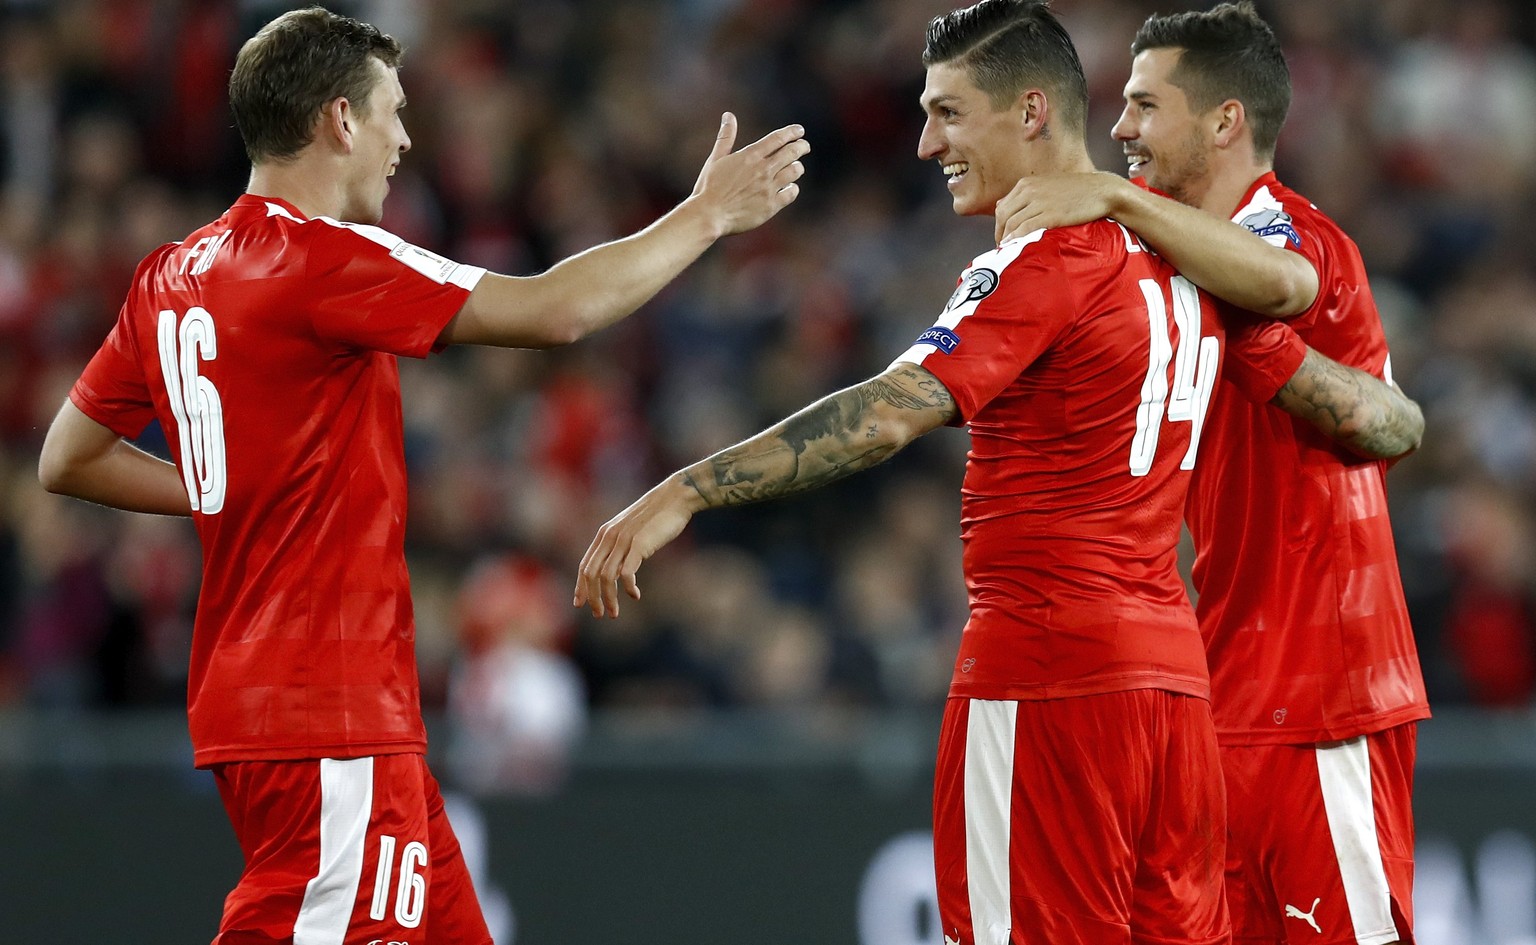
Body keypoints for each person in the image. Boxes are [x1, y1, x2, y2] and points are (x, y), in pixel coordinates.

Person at [36, 7, 808, 944]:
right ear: (339, 121)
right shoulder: (322, 257)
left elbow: (65, 456)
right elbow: (554, 311)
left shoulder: (169, 275)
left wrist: (219, 484)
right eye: (394, 111)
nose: (406, 137)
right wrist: (707, 215)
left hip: (287, 704)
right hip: (330, 709)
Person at [577, 2, 1241, 941]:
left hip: (1050, 678)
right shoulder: (1184, 251)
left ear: (1032, 111)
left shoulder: (1049, 256)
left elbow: (889, 411)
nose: (927, 144)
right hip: (1171, 687)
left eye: (950, 113)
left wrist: (686, 488)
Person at [992, 4, 1428, 943]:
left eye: (1146, 105)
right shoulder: (1156, 265)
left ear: (1225, 121)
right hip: (1208, 692)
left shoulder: (1299, 237)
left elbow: (1382, 410)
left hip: (1323, 691)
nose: (1121, 128)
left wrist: (1115, 197)